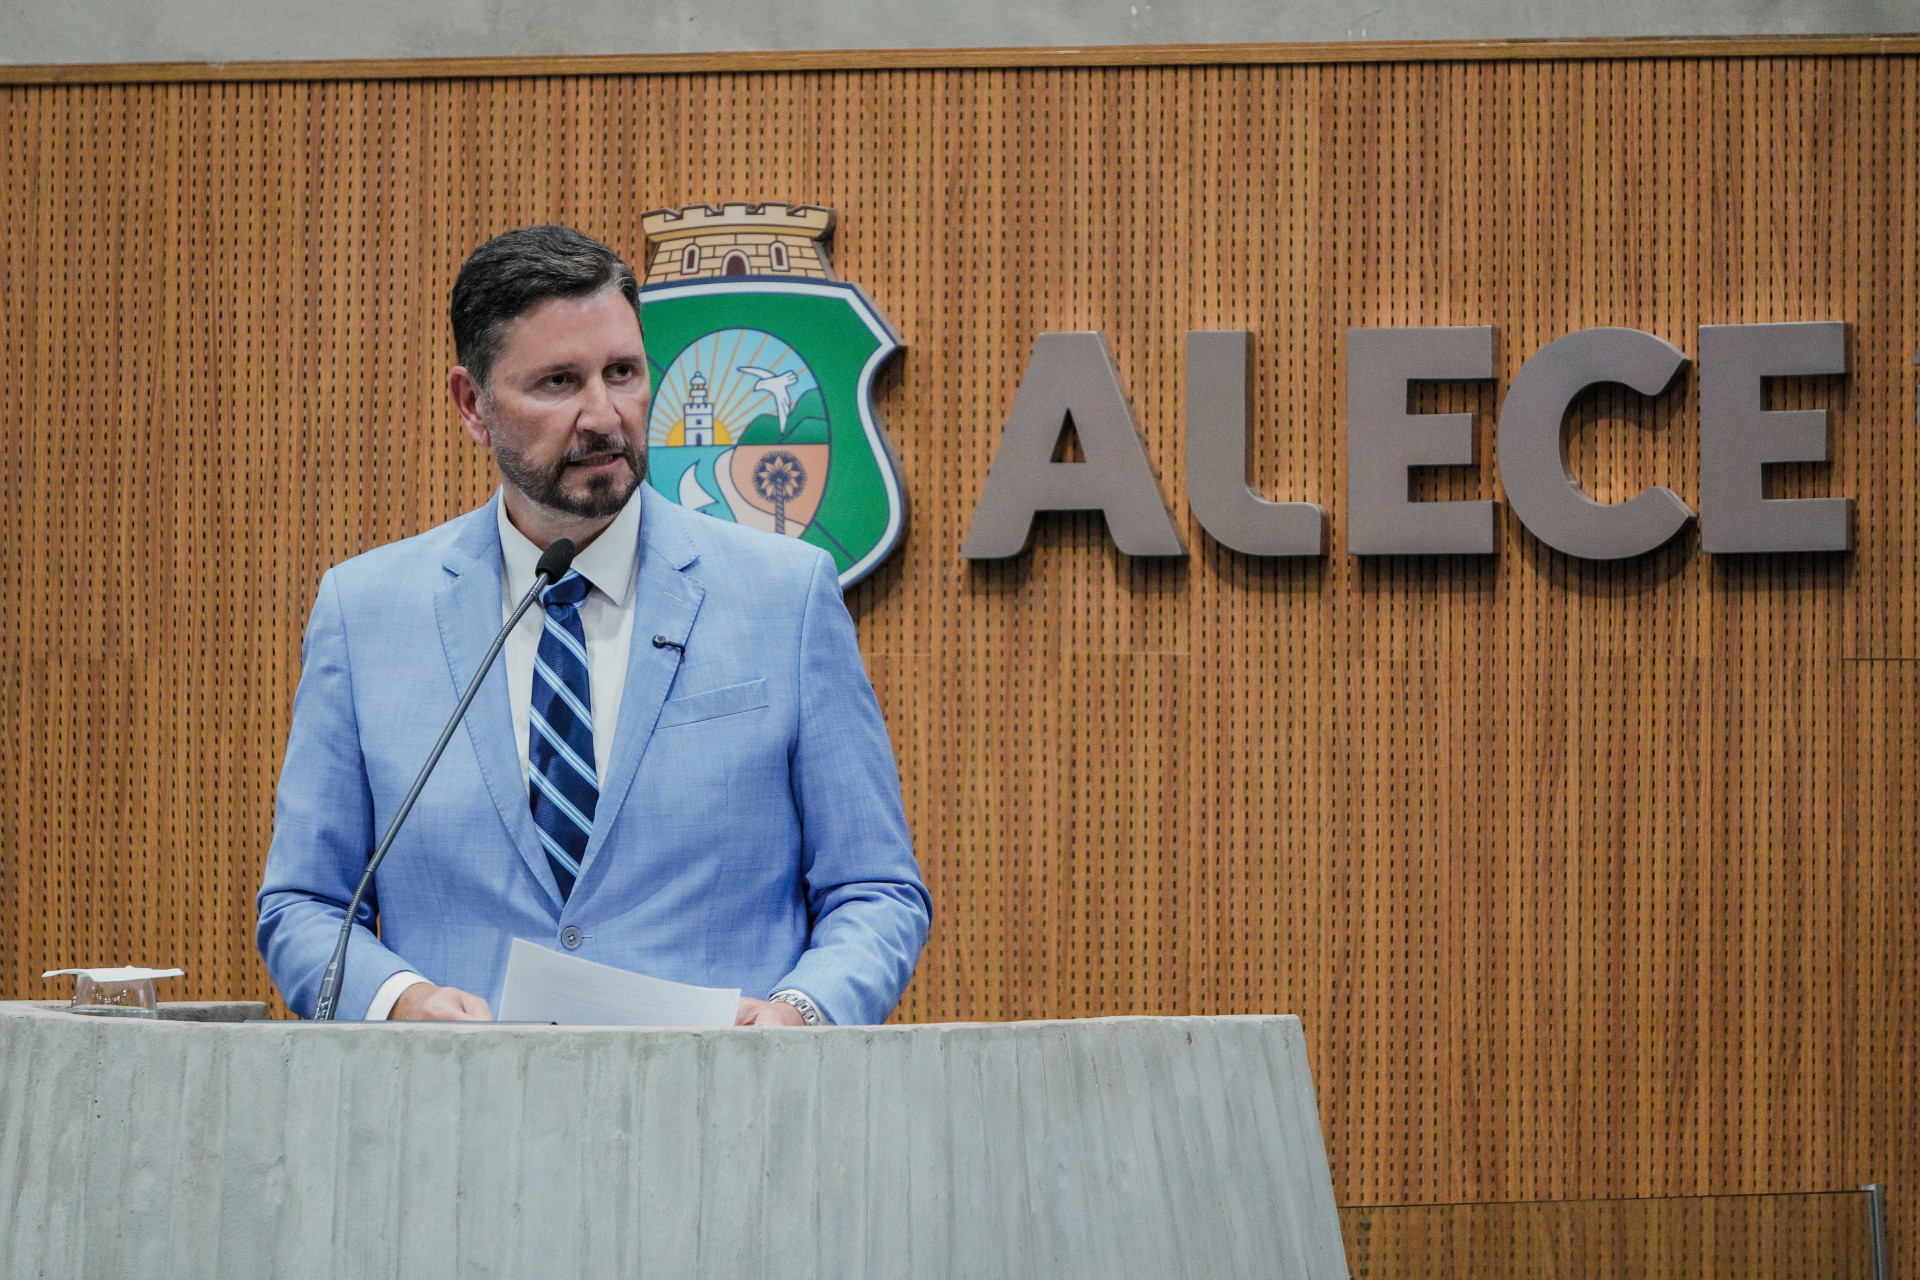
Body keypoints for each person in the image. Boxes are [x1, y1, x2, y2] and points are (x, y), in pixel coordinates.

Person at [256, 224, 930, 1024]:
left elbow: (876, 891)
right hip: (456, 1123)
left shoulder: (785, 597)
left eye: (623, 373)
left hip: (725, 1119)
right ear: (473, 406)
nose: (604, 415)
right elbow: (304, 905)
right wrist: (400, 1002)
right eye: (557, 383)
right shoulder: (364, 614)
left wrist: (801, 1011)